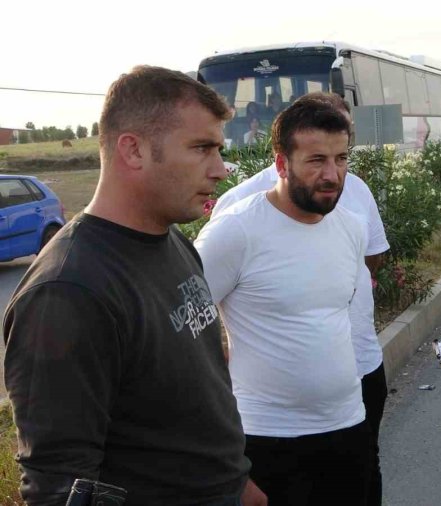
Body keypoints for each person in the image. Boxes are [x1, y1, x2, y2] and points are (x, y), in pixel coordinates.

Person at [2, 65, 260, 505]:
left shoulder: (174, 240)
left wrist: (238, 483)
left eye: (218, 149)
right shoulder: (67, 291)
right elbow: (59, 486)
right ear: (133, 150)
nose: (220, 169)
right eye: (202, 148)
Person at [213, 91, 391, 506]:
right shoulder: (234, 231)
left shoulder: (349, 226)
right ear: (281, 163)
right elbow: (184, 334)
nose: (333, 174)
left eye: (341, 159)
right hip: (266, 439)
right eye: (316, 161)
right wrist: (225, 459)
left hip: (348, 426)